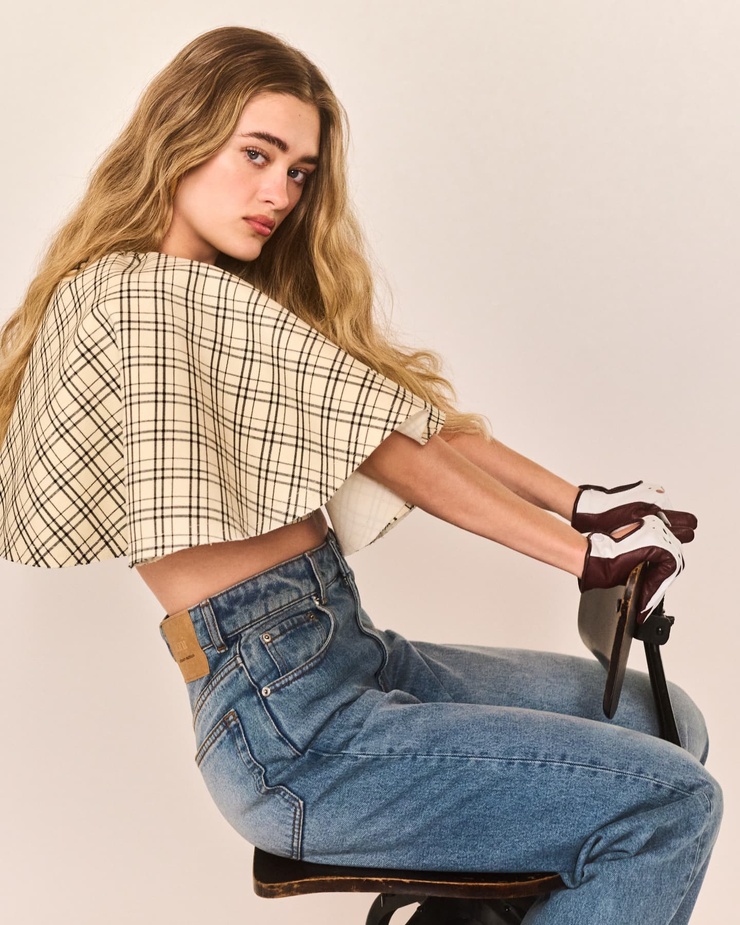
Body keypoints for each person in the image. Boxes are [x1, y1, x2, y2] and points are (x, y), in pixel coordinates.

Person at [0, 26, 721, 925]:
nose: (279, 192)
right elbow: (392, 450)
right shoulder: (145, 295)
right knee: (669, 801)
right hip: (293, 727)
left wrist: (584, 503)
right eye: (257, 153)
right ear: (180, 136)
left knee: (668, 724)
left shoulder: (202, 296)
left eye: (299, 171)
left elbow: (403, 418)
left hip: (347, 653)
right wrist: (583, 555)